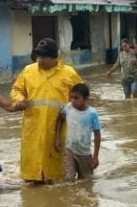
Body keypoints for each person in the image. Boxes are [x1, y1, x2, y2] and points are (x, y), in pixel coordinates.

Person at [10, 38, 83, 183]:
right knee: (32, 168)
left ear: (54, 57)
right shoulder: (28, 71)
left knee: (58, 172)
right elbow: (16, 89)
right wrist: (19, 100)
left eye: (44, 57)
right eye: (38, 56)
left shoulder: (69, 73)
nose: (40, 60)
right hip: (33, 126)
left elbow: (82, 96)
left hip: (60, 126)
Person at [54, 83, 101, 182]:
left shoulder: (92, 113)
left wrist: (95, 156)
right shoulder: (68, 107)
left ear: (85, 99)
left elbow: (97, 134)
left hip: (84, 153)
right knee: (68, 179)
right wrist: (57, 138)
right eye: (71, 97)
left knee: (86, 181)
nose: (73, 100)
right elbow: (60, 119)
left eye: (76, 98)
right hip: (69, 151)